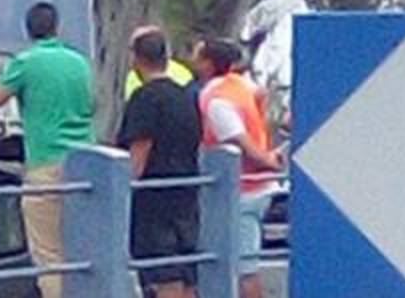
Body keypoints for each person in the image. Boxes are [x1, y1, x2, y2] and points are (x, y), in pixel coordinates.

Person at [0, 1, 94, 298]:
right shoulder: (80, 62)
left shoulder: (26, 63)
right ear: (58, 27)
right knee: (83, 253)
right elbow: (91, 105)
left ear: (28, 30)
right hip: (85, 169)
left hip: (45, 166)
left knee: (49, 256)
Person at [193, 38, 284, 298]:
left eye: (198, 56)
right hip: (259, 187)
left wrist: (267, 160)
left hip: (242, 190)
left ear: (209, 64)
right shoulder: (241, 86)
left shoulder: (216, 99)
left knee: (244, 270)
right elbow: (261, 94)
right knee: (238, 263)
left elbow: (237, 141)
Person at [118, 29, 201, 298]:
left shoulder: (144, 99)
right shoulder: (187, 97)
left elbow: (139, 152)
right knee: (187, 273)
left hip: (154, 197)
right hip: (187, 192)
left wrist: (124, 190)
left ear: (136, 59)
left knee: (164, 274)